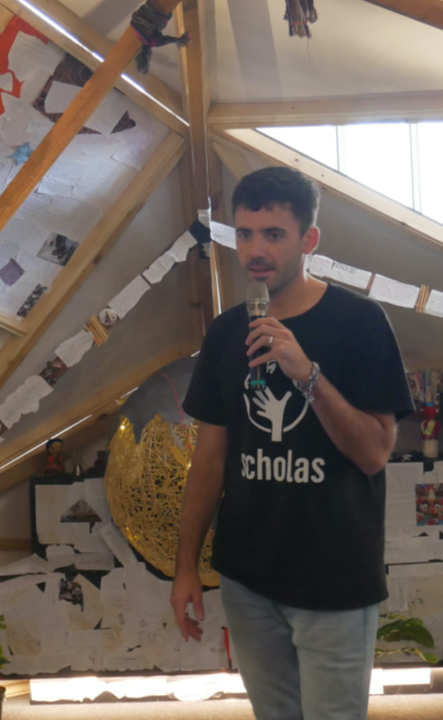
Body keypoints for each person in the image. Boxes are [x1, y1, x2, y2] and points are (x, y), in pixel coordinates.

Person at [172, 166, 413, 720]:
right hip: (248, 576)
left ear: (309, 240)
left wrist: (307, 374)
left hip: (334, 576)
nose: (256, 250)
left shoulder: (360, 323)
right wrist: (186, 567)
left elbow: (374, 453)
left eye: (274, 235)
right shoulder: (226, 332)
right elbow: (210, 458)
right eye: (245, 234)